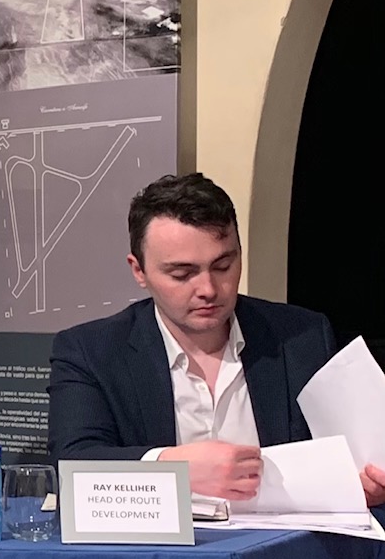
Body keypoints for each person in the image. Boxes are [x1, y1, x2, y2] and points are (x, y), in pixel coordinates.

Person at [48, 171, 385, 505]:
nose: (208, 289)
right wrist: (174, 469)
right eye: (182, 274)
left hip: (284, 538)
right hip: (162, 541)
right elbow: (72, 465)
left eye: (223, 266)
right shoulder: (91, 352)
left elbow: (350, 456)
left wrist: (364, 484)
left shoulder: (302, 337)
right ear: (139, 271)